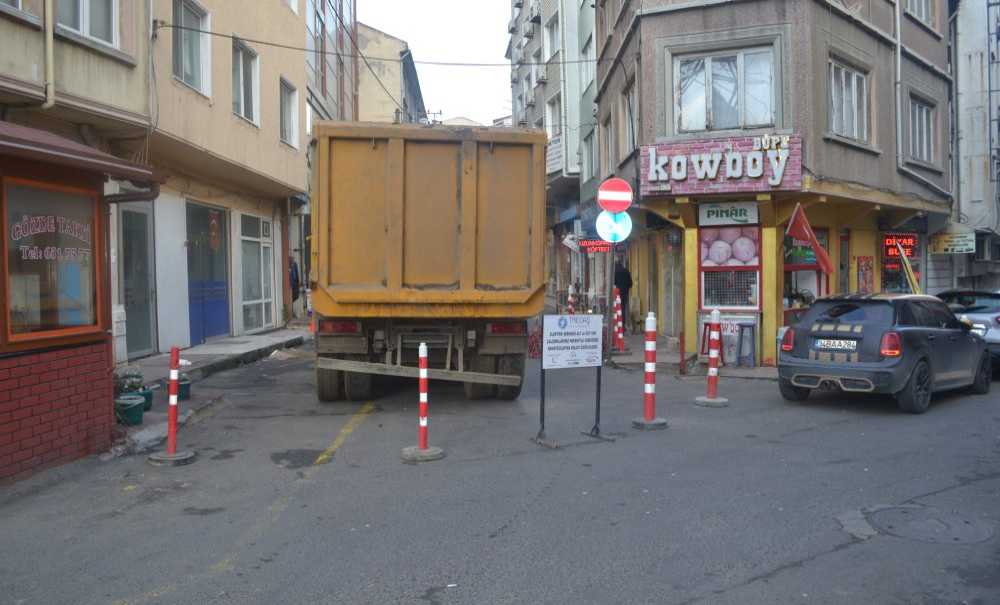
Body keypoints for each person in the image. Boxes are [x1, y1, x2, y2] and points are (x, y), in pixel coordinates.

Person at [614, 260, 633, 331]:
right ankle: (623, 326)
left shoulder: (616, 272)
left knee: (618, 309)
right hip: (625, 293)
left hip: (618, 293)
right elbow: (631, 283)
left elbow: (614, 282)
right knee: (623, 309)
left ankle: (618, 326)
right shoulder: (626, 271)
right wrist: (626, 287)